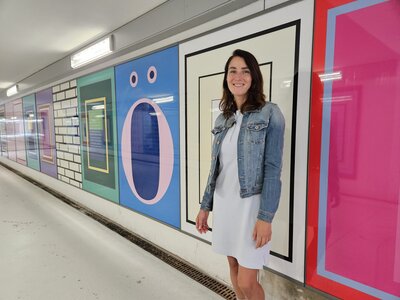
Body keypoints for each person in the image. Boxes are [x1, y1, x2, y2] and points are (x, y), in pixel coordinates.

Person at [195, 49, 285, 300]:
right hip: (225, 204)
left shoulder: (270, 113)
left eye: (245, 71)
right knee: (233, 267)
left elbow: (273, 168)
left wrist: (266, 217)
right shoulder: (222, 120)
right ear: (226, 77)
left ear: (254, 77)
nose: (238, 76)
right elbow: (216, 168)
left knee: (247, 281)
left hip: (251, 206)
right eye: (232, 71)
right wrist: (205, 207)